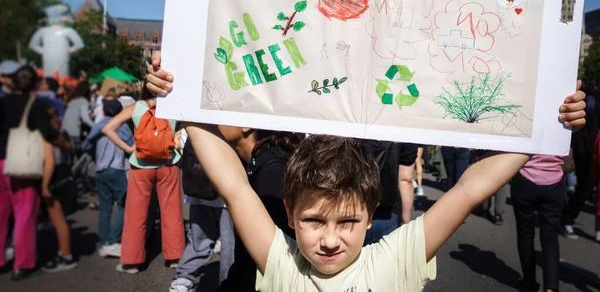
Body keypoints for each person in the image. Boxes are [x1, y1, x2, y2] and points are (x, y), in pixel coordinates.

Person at [147, 58, 586, 291]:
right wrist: (180, 100)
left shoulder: (394, 260)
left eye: (348, 220)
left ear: (372, 212)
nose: (331, 238)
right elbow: (233, 185)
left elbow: (470, 187)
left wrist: (547, 127)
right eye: (314, 220)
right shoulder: (282, 264)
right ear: (290, 214)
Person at [102, 87, 185, 274]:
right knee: (172, 212)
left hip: (140, 165)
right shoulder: (172, 104)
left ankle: (132, 262)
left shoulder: (136, 106)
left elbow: (107, 128)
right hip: (168, 164)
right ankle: (175, 257)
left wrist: (129, 148)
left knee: (136, 214)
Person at [0, 65, 71, 281]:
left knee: (1, 213)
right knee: (24, 213)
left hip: (0, 161)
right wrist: (65, 144)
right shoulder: (35, 105)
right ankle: (23, 264)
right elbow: (48, 133)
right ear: (33, 83)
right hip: (21, 162)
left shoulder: (2, 102)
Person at [217, 128, 300, 292]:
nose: (214, 119)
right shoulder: (263, 161)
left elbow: (267, 263)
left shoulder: (272, 174)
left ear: (245, 127)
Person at [169, 128, 234, 292]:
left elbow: (180, 146)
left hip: (198, 192)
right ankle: (228, 283)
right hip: (228, 195)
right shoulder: (231, 127)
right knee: (230, 245)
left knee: (198, 240)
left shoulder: (190, 127)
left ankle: (184, 280)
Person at [82, 99, 130, 258]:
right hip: (116, 168)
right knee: (125, 205)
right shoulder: (122, 125)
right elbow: (132, 145)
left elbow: (86, 145)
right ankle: (112, 241)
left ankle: (104, 242)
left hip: (100, 169)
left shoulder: (99, 126)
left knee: (105, 207)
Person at [511, 155, 565, 292]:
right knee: (550, 238)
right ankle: (551, 287)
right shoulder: (564, 131)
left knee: (525, 233)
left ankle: (529, 281)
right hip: (554, 179)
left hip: (525, 177)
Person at [362, 141, 417, 245]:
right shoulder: (404, 128)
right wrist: (406, 220)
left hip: (347, 207)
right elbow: (405, 179)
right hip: (387, 212)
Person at [562, 92, 599, 238]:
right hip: (588, 156)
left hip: (591, 154)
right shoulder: (590, 103)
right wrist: (582, 154)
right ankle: (567, 220)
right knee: (584, 190)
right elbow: (580, 131)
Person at [40, 138, 78, 273]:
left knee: (58, 219)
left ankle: (65, 255)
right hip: (62, 176)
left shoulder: (48, 140)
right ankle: (65, 254)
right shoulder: (61, 141)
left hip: (53, 178)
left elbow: (50, 162)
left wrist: (44, 186)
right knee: (59, 218)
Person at [61, 81, 95, 149]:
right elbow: (85, 118)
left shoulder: (72, 101)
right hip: (74, 133)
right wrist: (96, 126)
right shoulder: (83, 101)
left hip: (64, 131)